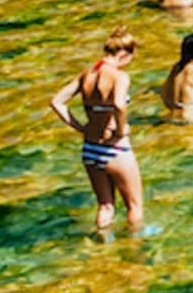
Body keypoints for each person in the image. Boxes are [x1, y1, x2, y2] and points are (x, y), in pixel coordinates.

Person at [51, 28, 143, 236]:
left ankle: (102, 248)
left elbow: (56, 102)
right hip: (115, 148)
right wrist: (121, 129)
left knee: (105, 206)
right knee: (134, 207)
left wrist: (80, 127)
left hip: (90, 148)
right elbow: (119, 104)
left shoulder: (87, 74)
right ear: (124, 54)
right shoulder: (120, 76)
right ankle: (135, 249)